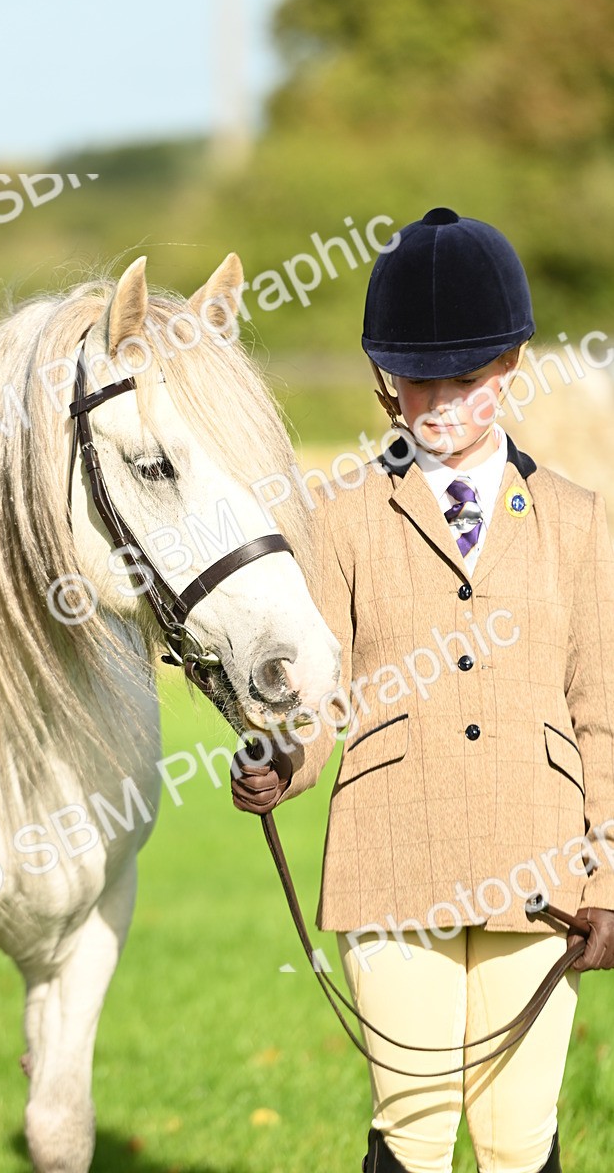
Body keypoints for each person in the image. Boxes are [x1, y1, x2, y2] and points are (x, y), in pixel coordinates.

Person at [231, 207, 614, 1173]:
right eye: (416, 379)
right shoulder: (343, 517)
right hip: (395, 856)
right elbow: (321, 694)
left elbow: (603, 712)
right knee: (413, 1128)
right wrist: (286, 760)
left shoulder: (578, 520)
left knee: (519, 1136)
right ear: (381, 378)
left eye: (467, 378)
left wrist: (609, 877)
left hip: (543, 871)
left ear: (513, 368)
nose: (439, 401)